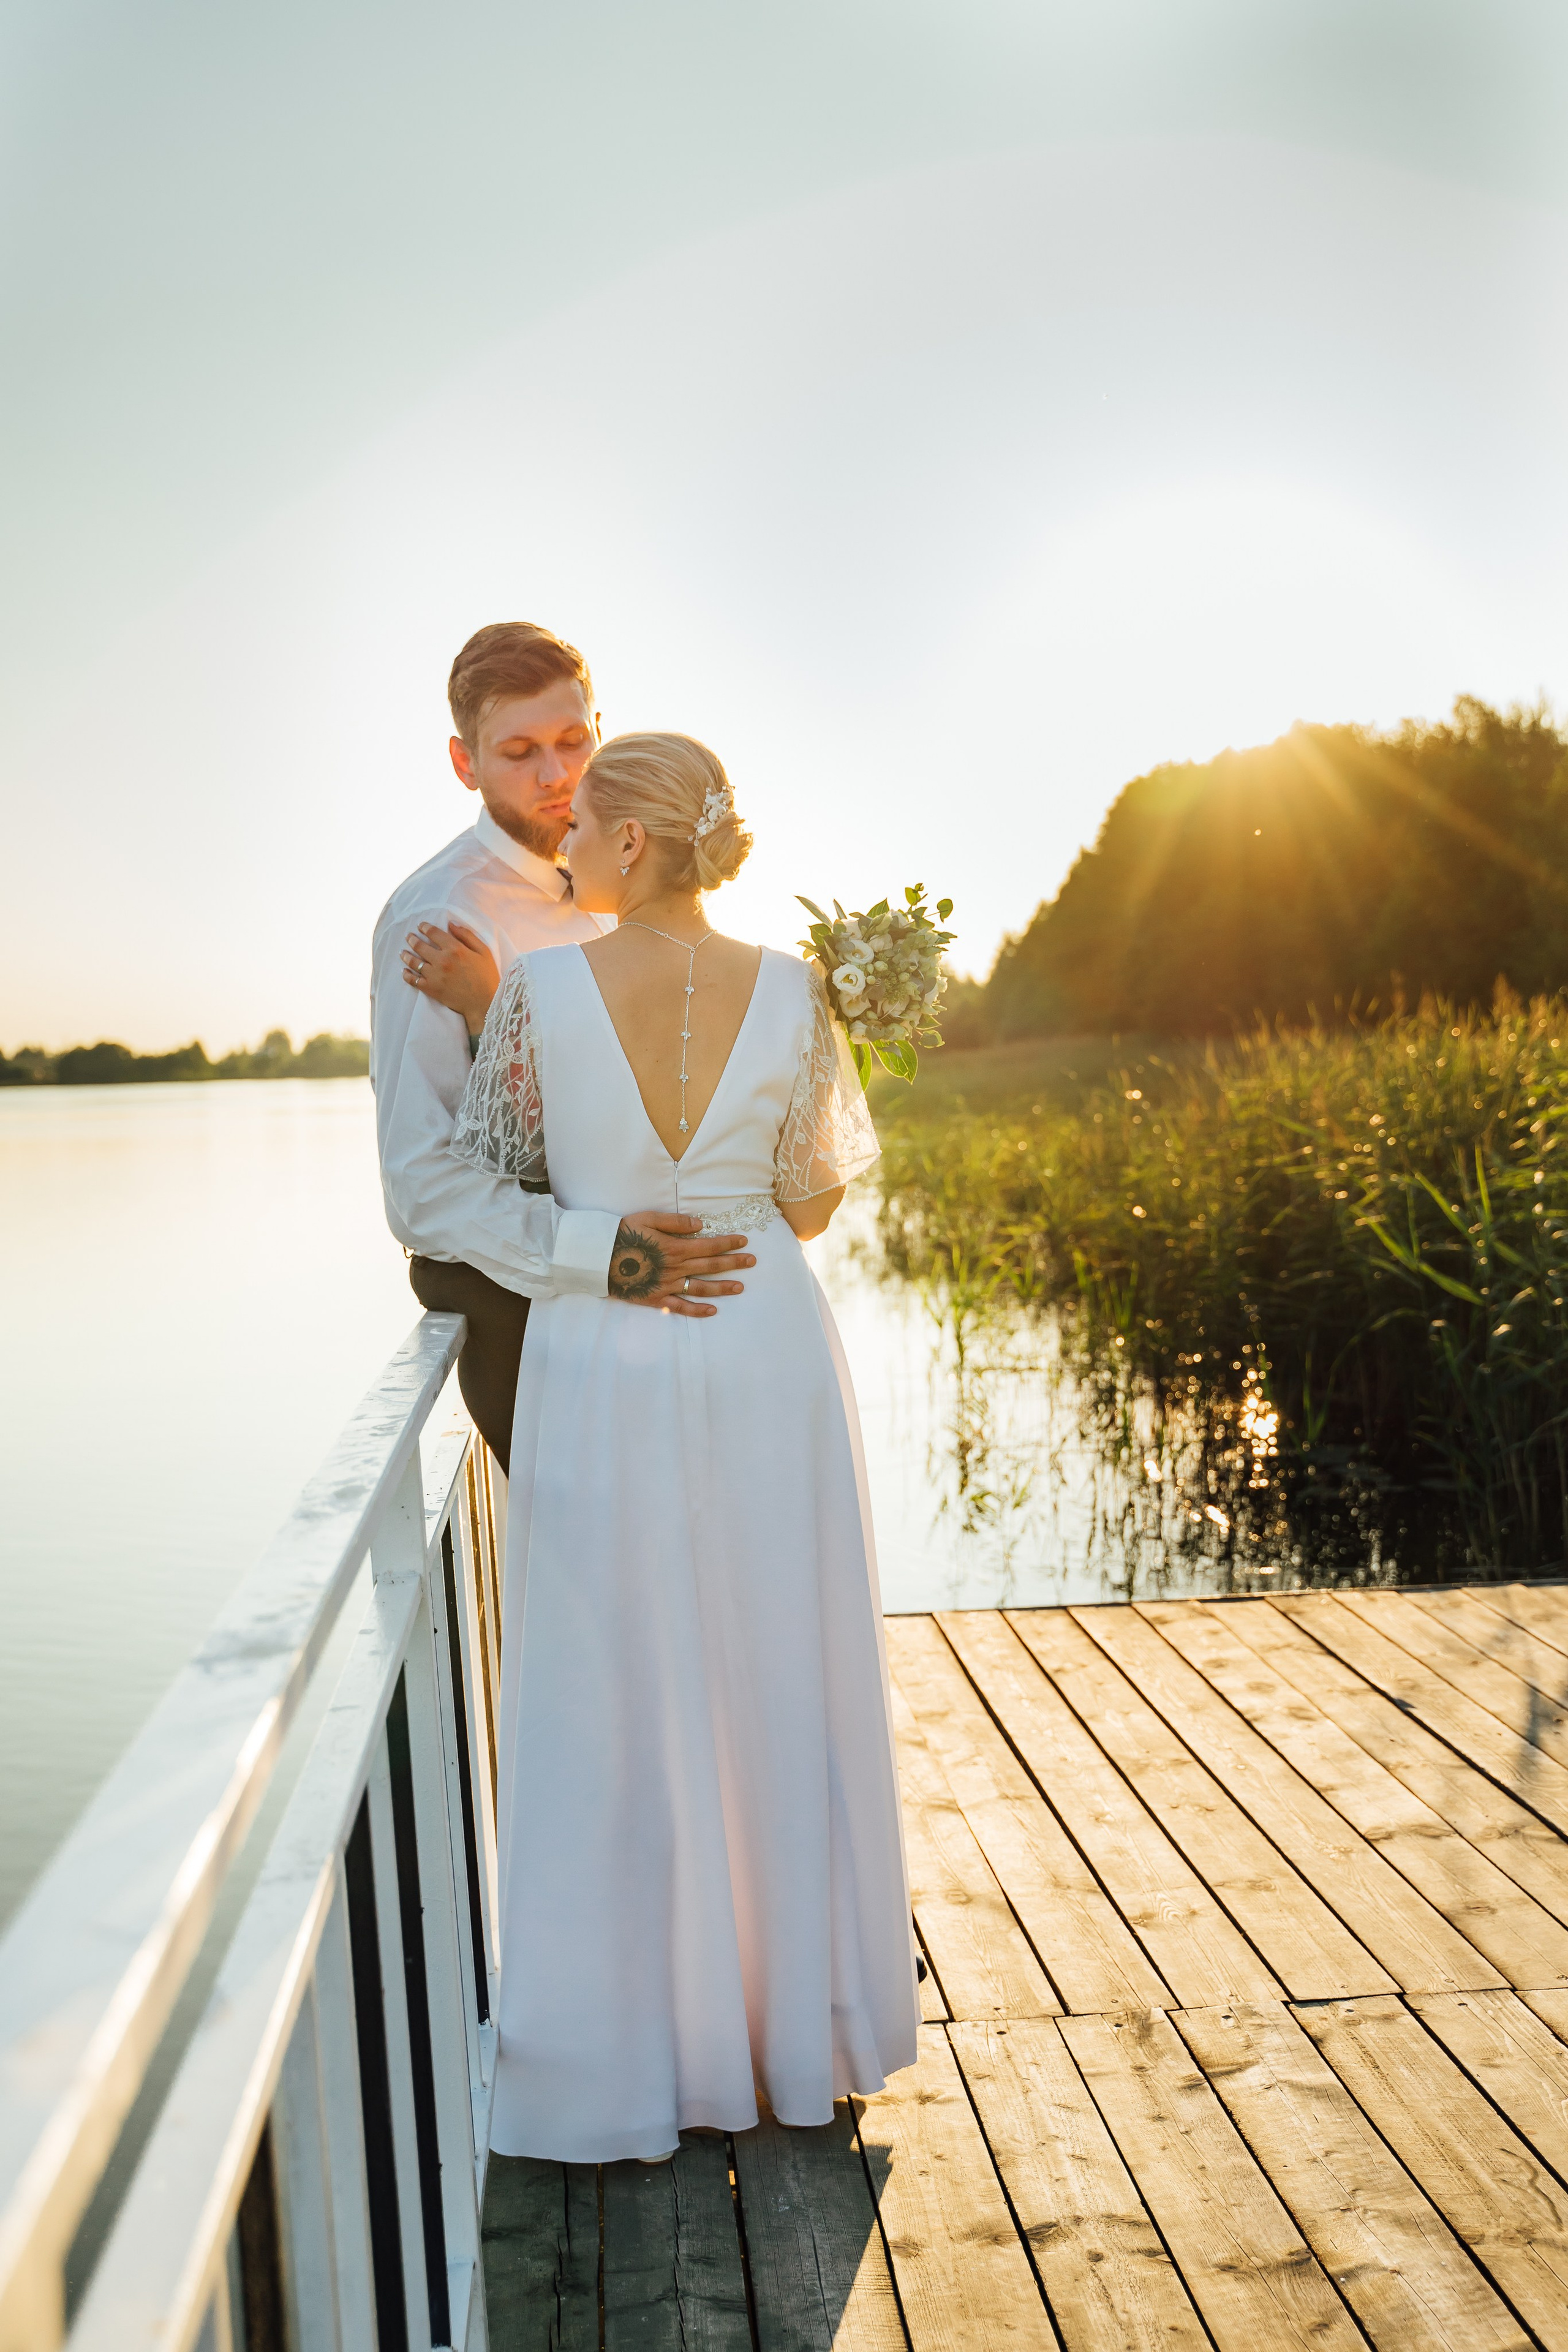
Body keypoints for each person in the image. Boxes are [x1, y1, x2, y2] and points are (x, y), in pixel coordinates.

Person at [411, 729, 918, 2160]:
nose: (564, 845)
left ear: (631, 845)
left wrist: (500, 1012)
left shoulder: (542, 995)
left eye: (583, 828)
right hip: (761, 1341)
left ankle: (635, 2045)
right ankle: (789, 2038)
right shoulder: (799, 991)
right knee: (777, 1662)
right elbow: (812, 1204)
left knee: (618, 1678)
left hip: (610, 1342)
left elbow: (496, 1181)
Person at [370, 623, 755, 1470]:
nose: (556, 775)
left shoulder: (630, 884)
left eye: (574, 741)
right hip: (532, 1316)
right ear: (465, 764)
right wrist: (607, 1257)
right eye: (519, 752)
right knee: (595, 1583)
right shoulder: (441, 920)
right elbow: (422, 1185)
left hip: (674, 1300)